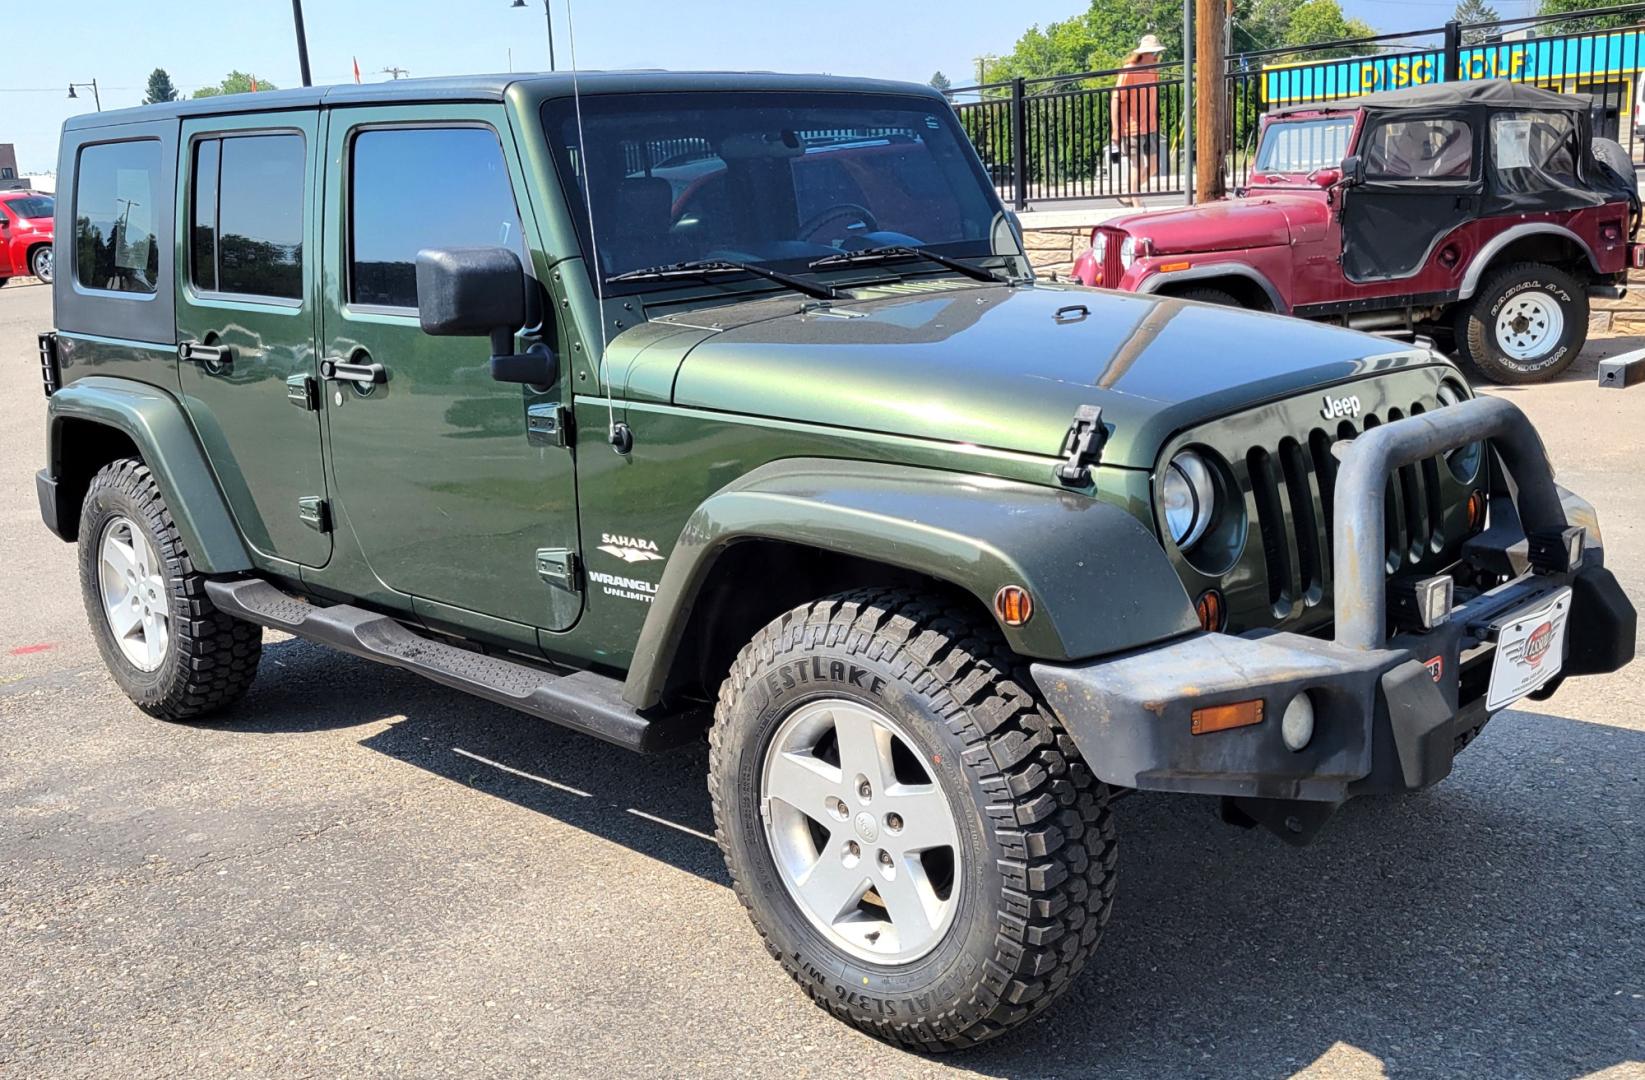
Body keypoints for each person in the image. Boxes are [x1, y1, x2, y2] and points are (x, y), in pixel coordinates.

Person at [1111, 35, 1165, 207]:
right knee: (1137, 165)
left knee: (1154, 166)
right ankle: (1136, 202)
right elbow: (1116, 99)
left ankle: (1130, 192)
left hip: (1150, 126)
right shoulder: (1129, 70)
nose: (1157, 56)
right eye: (1154, 53)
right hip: (1132, 127)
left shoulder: (1154, 71)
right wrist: (1115, 128)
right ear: (1145, 54)